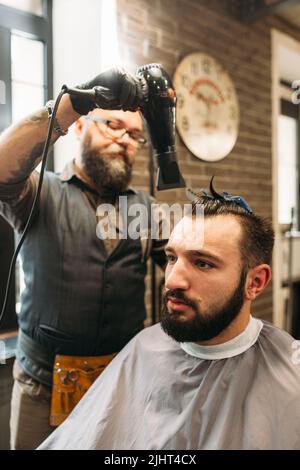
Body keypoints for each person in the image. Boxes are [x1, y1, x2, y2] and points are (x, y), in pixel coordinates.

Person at [38, 183, 300, 450]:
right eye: (172, 258)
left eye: (203, 263)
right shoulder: (143, 349)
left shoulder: (291, 370)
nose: (172, 280)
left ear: (255, 282)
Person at [0, 68, 166, 450]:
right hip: (40, 391)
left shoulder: (146, 211)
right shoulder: (41, 192)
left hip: (122, 385)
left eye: (135, 135)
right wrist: (73, 103)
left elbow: (187, 260)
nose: (124, 139)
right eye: (112, 124)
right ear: (79, 128)